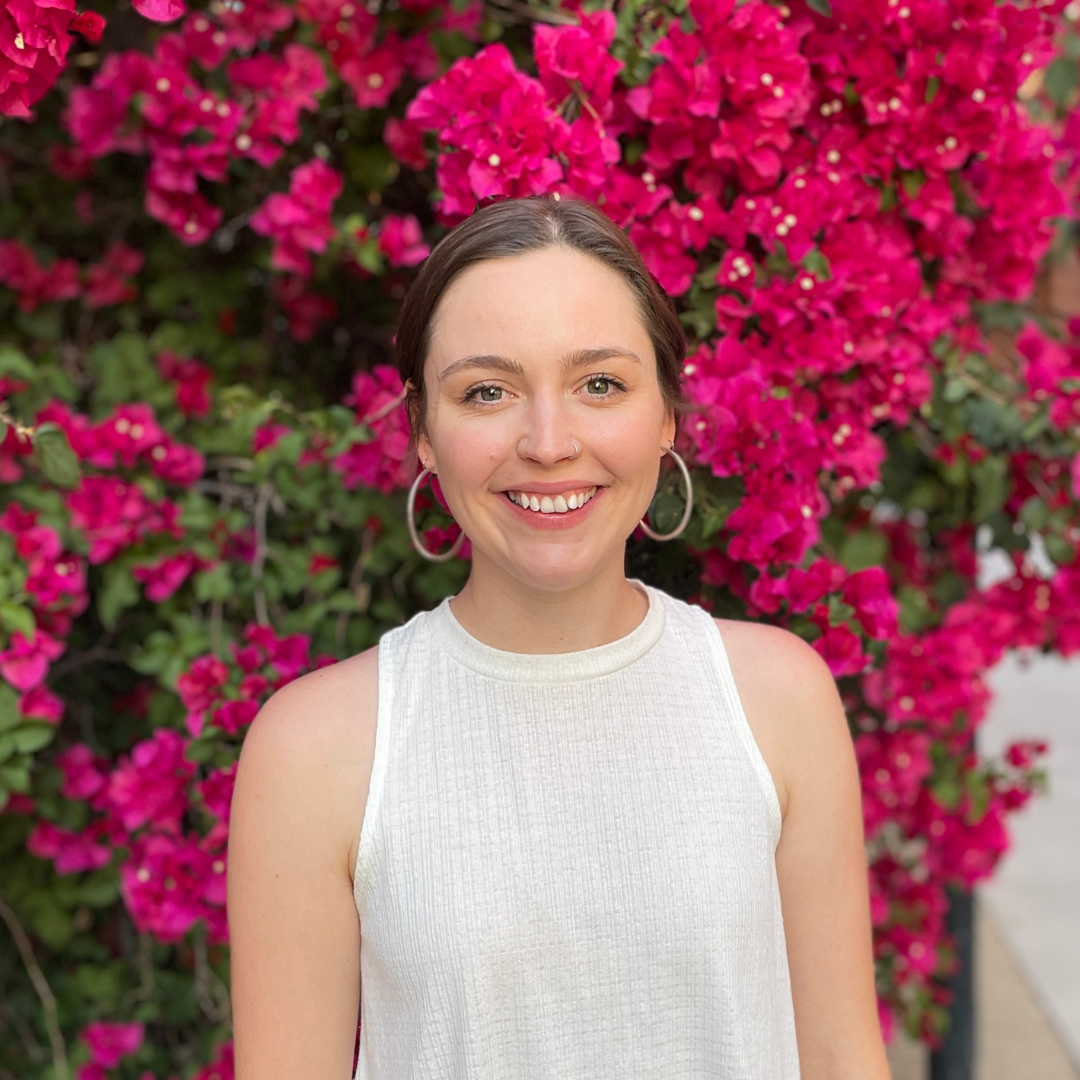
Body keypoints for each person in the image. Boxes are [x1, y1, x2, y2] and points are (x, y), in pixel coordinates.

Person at [227, 194, 893, 1080]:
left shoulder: (777, 700)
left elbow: (846, 1064)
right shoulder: (315, 748)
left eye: (600, 385)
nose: (548, 443)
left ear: (665, 420)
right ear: (424, 431)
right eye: (488, 391)